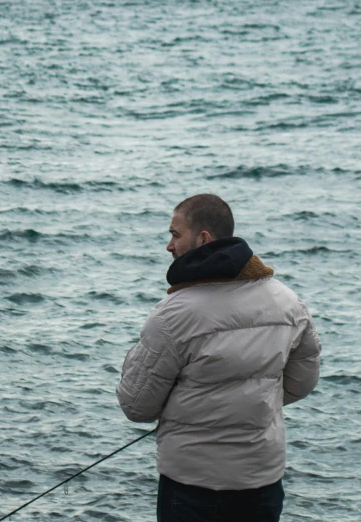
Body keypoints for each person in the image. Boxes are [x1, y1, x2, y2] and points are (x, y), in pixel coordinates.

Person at [116, 194, 321, 522]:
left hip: (192, 485)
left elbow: (137, 406)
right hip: (262, 480)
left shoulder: (173, 314)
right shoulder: (288, 302)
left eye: (175, 234)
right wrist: (251, 403)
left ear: (203, 239)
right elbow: (302, 383)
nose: (169, 246)